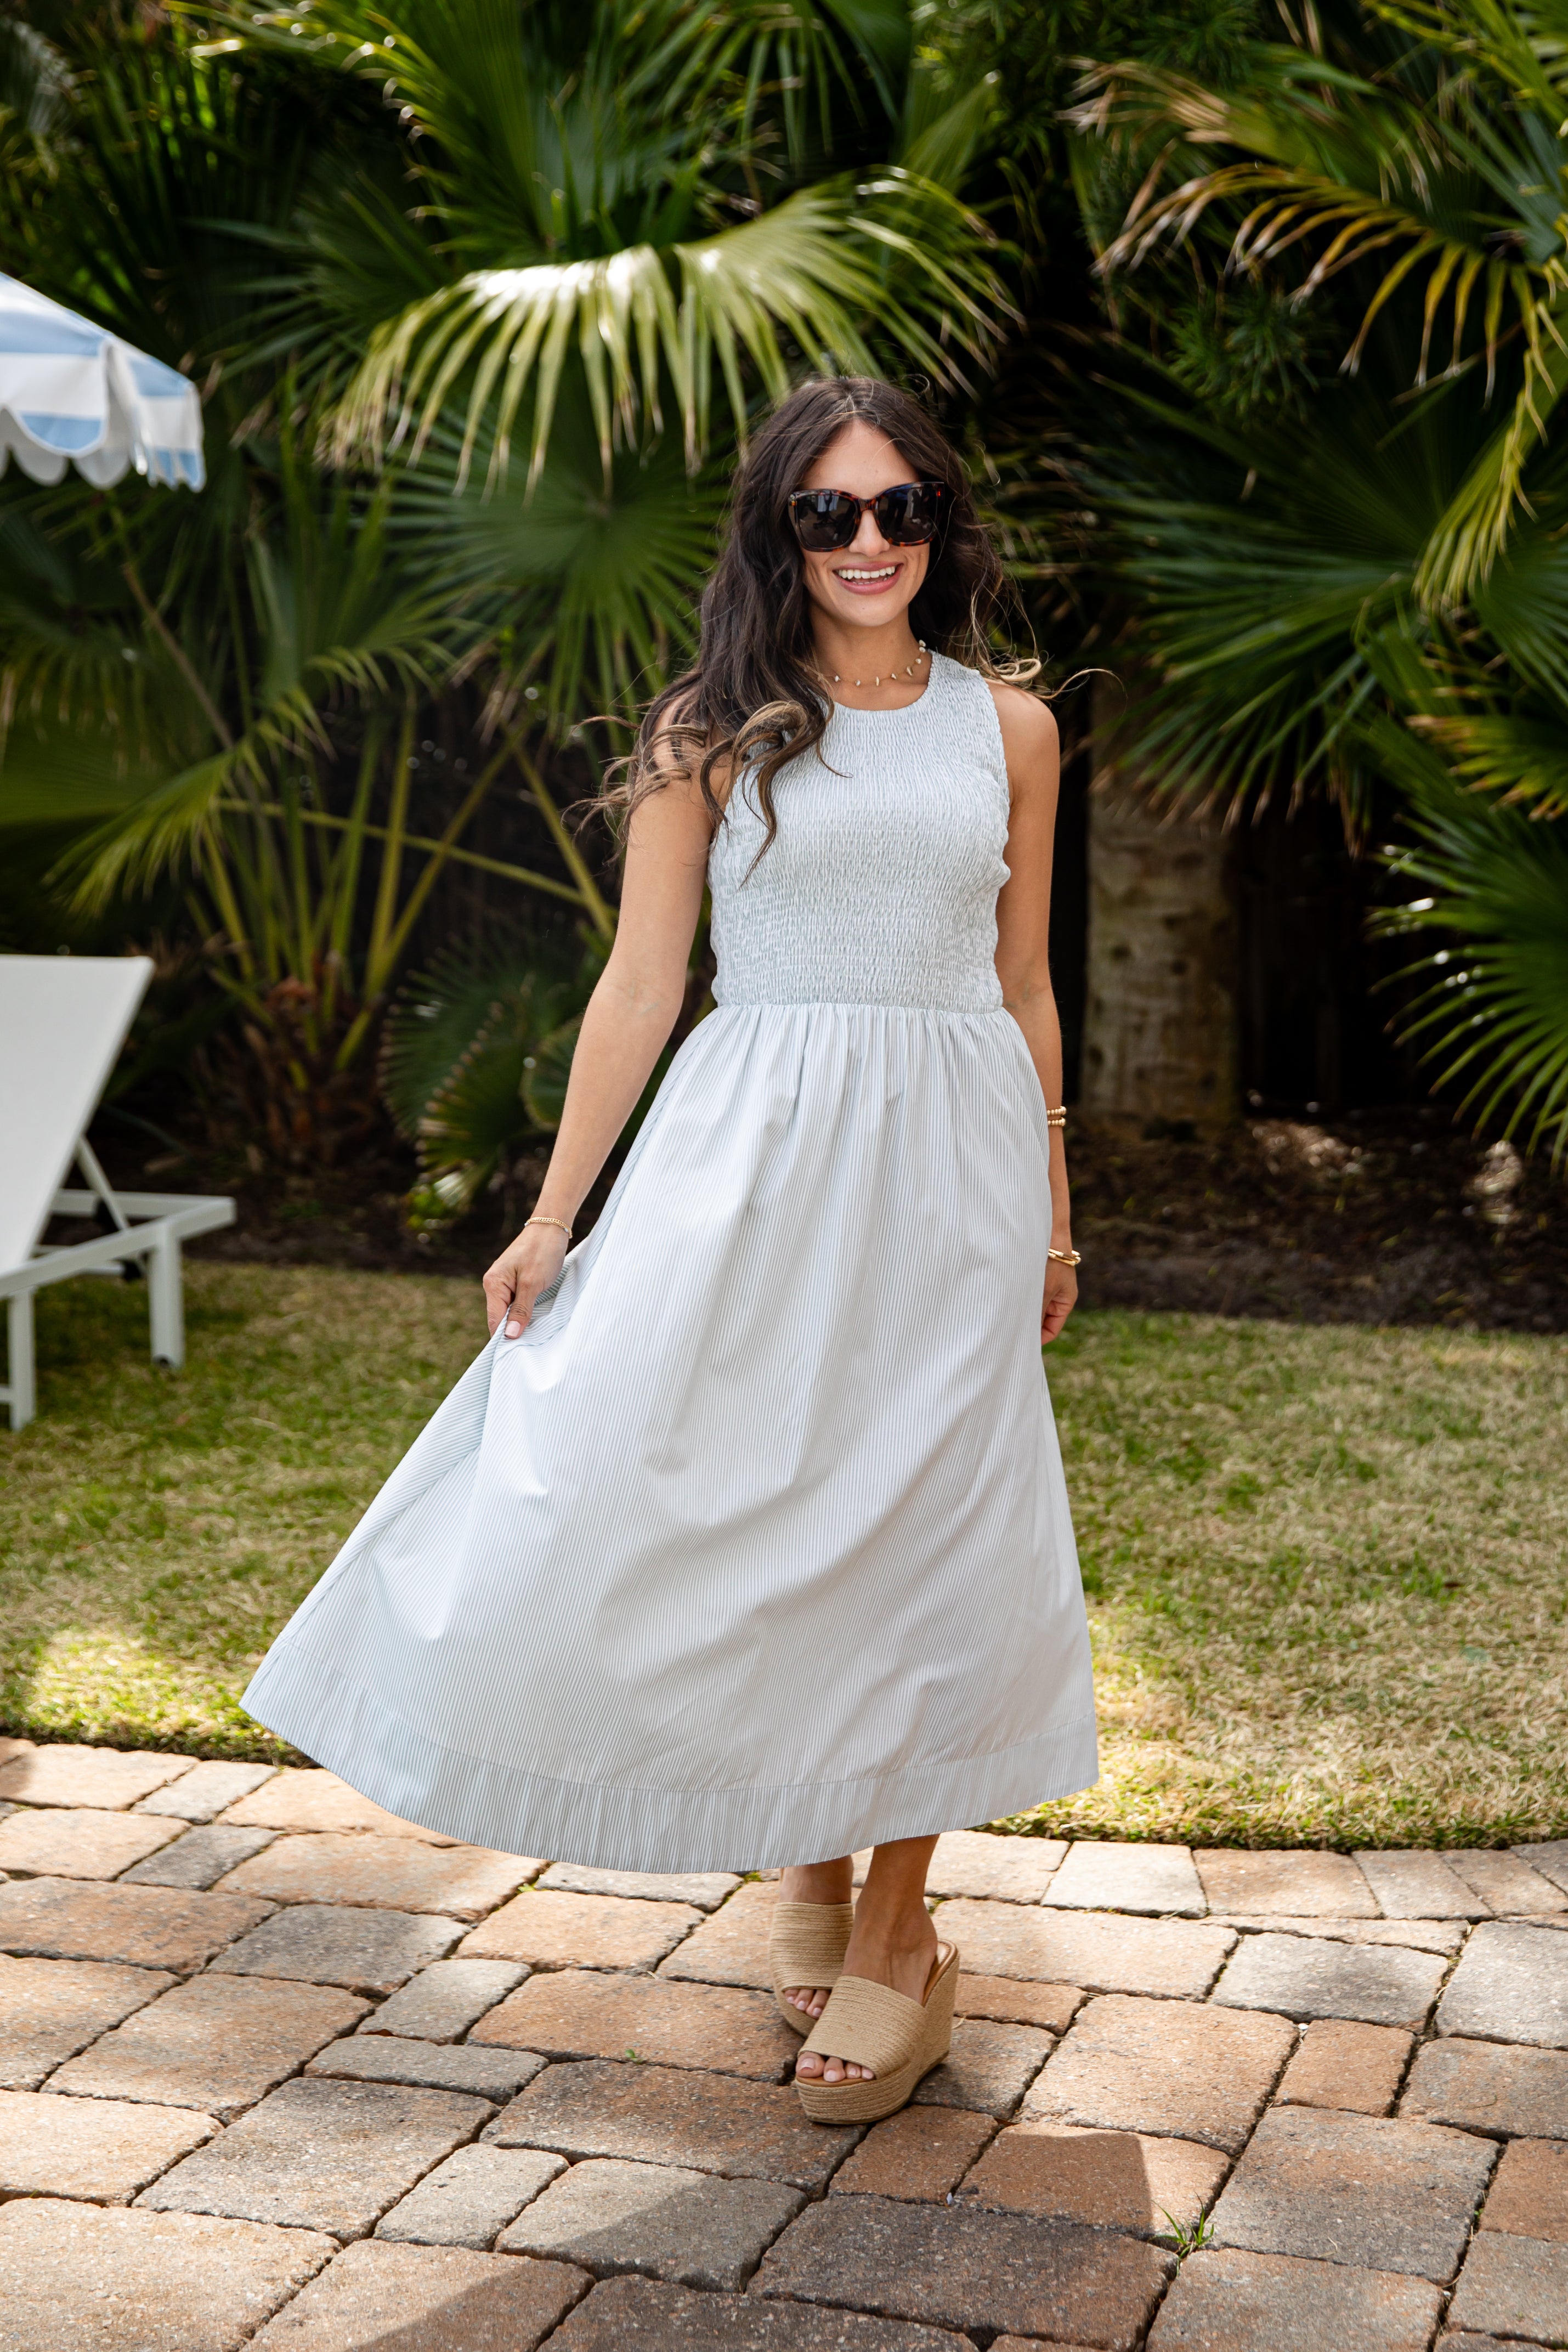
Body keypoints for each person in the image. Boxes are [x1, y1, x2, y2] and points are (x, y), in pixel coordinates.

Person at [243, 375, 1098, 2124]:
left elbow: (1021, 980)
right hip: (753, 1148)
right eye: (829, 514)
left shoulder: (1009, 728)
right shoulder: (712, 728)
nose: (871, 544)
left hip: (953, 1155)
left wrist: (1057, 1199)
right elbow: (642, 986)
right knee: (735, 1492)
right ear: (775, 531)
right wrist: (553, 1216)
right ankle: (801, 1854)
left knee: (927, 1515)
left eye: (902, 510)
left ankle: (900, 1928)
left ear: (942, 525)